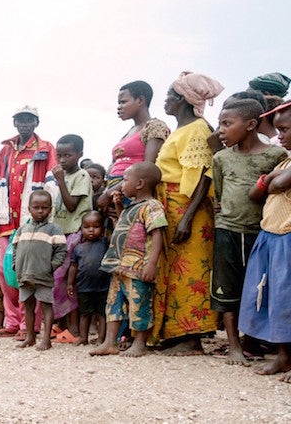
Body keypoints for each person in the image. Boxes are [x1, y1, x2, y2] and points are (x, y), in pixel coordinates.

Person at [211, 98, 287, 366]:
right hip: (228, 229)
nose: (220, 130)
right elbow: (219, 195)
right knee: (227, 288)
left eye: (227, 123)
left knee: (259, 287)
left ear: (252, 125)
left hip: (263, 231)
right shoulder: (220, 158)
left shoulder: (275, 156)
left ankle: (253, 341)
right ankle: (234, 346)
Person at [153, 71, 223, 355]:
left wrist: (187, 217)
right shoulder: (181, 130)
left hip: (186, 206)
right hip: (172, 204)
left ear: (183, 99)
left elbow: (203, 176)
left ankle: (191, 337)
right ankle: (174, 333)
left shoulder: (196, 129)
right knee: (173, 271)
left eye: (170, 94)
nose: (166, 99)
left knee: (190, 272)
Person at [0, 105, 58, 339]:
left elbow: (51, 184)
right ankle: (12, 321)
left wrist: (42, 216)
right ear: (15, 123)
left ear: (36, 123)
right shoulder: (5, 151)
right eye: (20, 120)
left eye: (29, 120)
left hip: (31, 222)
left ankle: (29, 325)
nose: (24, 124)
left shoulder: (45, 149)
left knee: (31, 273)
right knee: (5, 273)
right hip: (7, 221)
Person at [91, 162, 167, 357]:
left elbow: (157, 233)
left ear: (140, 183)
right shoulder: (131, 206)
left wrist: (151, 264)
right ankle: (110, 341)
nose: (122, 185)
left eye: (125, 180)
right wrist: (117, 205)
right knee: (114, 303)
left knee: (139, 303)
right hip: (119, 265)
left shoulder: (152, 206)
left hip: (138, 266)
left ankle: (140, 342)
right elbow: (122, 229)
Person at [239, 101, 291, 380]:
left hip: (288, 238)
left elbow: (278, 185)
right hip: (272, 237)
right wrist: (272, 178)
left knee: (289, 299)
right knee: (275, 300)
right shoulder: (285, 161)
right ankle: (283, 357)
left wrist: (270, 179)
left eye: (284, 129)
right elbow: (254, 194)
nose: (279, 135)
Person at [99, 81, 170, 216]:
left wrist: (109, 194)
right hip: (116, 193)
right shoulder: (130, 131)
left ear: (140, 100)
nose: (119, 107)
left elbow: (147, 169)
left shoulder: (155, 127)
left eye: (123, 102)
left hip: (133, 193)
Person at [11, 190, 67, 351]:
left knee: (46, 306)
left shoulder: (54, 229)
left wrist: (51, 266)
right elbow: (15, 248)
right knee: (28, 306)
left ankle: (46, 340)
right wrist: (16, 265)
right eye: (36, 207)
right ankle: (30, 337)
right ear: (29, 208)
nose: (40, 211)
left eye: (44, 208)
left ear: (50, 210)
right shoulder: (23, 229)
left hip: (43, 276)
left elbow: (62, 251)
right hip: (25, 274)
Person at [50, 134, 93, 335]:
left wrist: (60, 181)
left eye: (67, 155)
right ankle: (63, 323)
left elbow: (71, 205)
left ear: (80, 154)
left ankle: (73, 328)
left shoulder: (81, 176)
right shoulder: (64, 177)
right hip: (61, 233)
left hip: (75, 233)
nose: (62, 160)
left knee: (66, 279)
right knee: (58, 278)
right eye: (59, 155)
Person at [66, 211, 109, 346]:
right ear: (81, 228)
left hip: (103, 287)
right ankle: (83, 338)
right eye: (87, 227)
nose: (91, 230)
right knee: (85, 314)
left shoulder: (105, 244)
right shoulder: (78, 248)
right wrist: (69, 283)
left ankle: (101, 338)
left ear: (102, 228)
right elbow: (73, 266)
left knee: (102, 314)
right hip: (84, 287)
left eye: (95, 227)